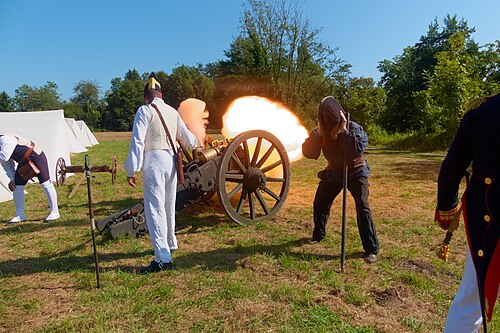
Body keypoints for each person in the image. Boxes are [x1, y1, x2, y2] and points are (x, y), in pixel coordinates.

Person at [435, 92, 500, 333]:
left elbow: (451, 170)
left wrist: (447, 209)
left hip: (489, 217)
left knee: (472, 296)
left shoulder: (480, 112)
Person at [125, 73, 198, 274]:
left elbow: (138, 141)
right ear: (161, 94)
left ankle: (162, 259)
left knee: (155, 209)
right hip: (172, 162)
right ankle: (170, 243)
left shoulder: (144, 110)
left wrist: (131, 169)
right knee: (168, 205)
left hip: (154, 161)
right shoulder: (172, 111)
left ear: (145, 96)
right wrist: (196, 143)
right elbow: (188, 138)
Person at [301, 96, 379, 263]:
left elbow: (356, 151)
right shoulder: (320, 131)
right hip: (334, 172)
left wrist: (343, 132)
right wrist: (317, 135)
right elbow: (309, 153)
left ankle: (371, 249)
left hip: (356, 172)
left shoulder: (354, 128)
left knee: (362, 205)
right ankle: (318, 235)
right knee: (320, 202)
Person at [0, 133, 60, 224]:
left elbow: (4, 157)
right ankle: (20, 215)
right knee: (17, 187)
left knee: (46, 184)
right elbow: (6, 163)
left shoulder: (6, 139)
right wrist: (12, 179)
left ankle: (55, 212)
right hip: (24, 162)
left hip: (36, 157)